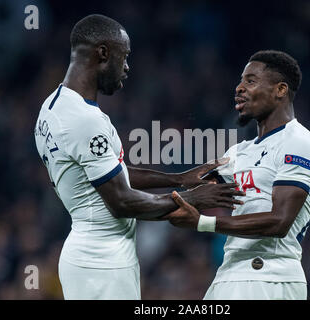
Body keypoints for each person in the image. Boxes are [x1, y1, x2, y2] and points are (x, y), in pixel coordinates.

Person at [34, 14, 244, 300]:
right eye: (125, 56)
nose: (127, 67)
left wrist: (179, 179)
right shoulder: (85, 120)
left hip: (89, 254)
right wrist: (193, 199)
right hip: (103, 261)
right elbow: (121, 201)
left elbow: (108, 172)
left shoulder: (52, 106)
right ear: (104, 53)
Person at [166, 50, 310, 300]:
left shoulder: (298, 142)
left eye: (250, 81)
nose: (239, 88)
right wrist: (122, 193)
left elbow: (279, 221)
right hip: (229, 274)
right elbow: (186, 197)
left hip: (269, 277)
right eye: (240, 81)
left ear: (280, 90)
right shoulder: (238, 152)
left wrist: (202, 222)